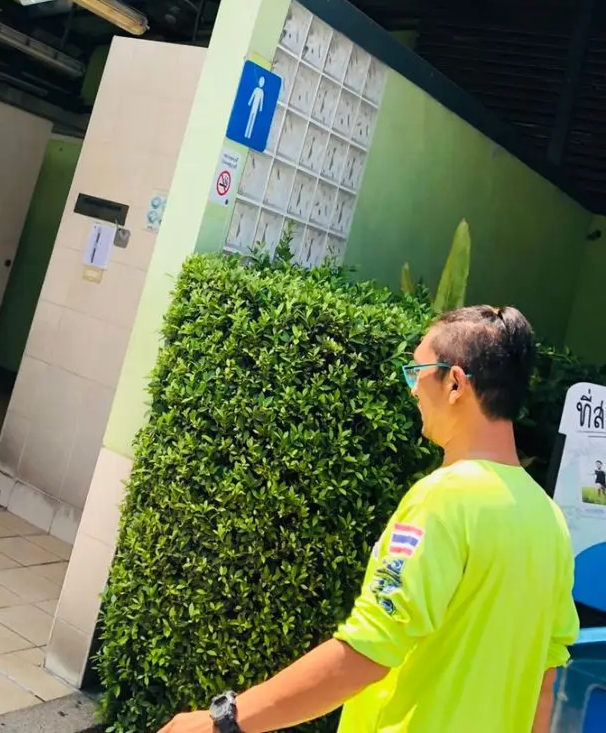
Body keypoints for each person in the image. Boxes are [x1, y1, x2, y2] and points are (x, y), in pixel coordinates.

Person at [161, 305, 579, 733]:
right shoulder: (550, 522)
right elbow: (544, 682)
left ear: (455, 383)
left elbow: (369, 649)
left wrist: (223, 721)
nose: (413, 390)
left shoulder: (445, 499)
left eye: (417, 372)